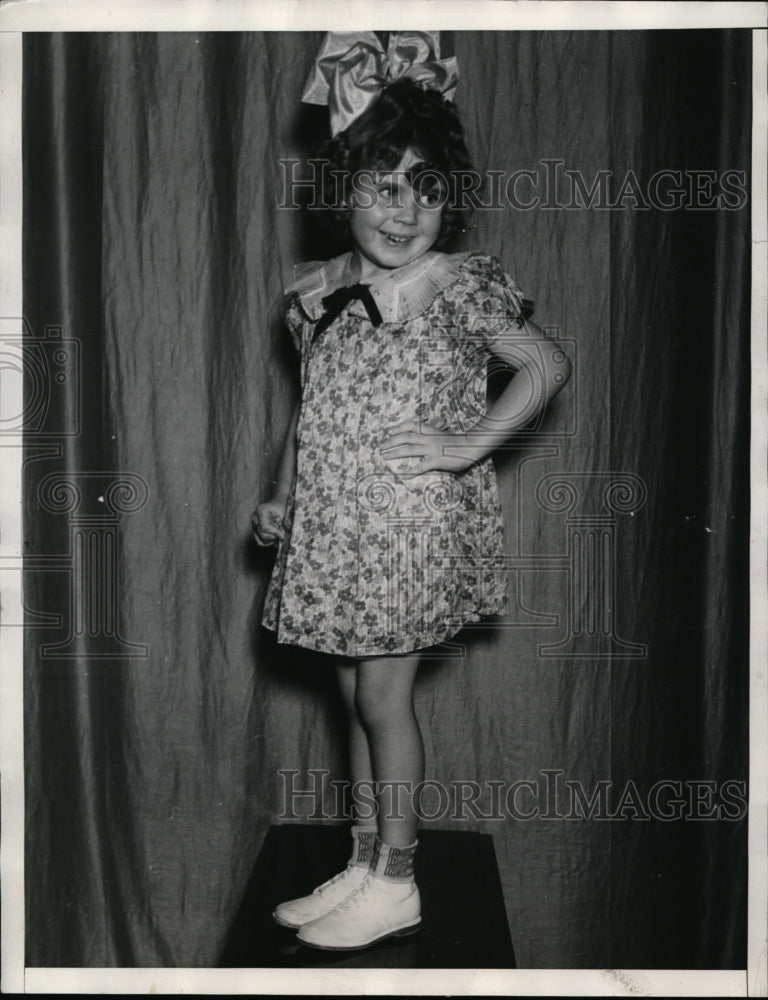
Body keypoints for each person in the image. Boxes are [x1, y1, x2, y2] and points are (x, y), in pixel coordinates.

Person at [252, 32, 571, 952]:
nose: (403, 208)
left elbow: (545, 364)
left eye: (425, 186)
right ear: (339, 188)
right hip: (339, 535)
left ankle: (399, 878)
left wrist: (466, 444)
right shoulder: (321, 296)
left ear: (449, 198)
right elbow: (310, 413)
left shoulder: (458, 286)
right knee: (358, 698)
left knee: (385, 701)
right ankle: (364, 857)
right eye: (380, 182)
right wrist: (284, 495)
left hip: (406, 536)